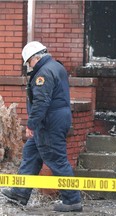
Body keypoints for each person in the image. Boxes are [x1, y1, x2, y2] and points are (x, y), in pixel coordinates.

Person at [0, 41, 82, 212]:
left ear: (35, 58)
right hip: (53, 120)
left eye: (29, 62)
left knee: (57, 159)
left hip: (48, 123)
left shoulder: (43, 74)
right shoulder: (55, 67)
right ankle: (19, 193)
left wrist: (31, 124)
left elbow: (41, 103)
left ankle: (72, 200)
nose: (29, 66)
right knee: (30, 155)